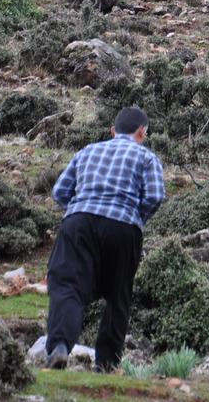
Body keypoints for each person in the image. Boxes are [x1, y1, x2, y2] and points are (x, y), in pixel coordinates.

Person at [44, 106, 165, 372]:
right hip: (123, 228)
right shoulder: (147, 157)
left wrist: (79, 208)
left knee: (67, 285)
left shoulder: (87, 151)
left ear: (112, 131)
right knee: (117, 295)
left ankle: (60, 347)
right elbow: (156, 196)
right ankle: (106, 364)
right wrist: (136, 217)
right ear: (142, 132)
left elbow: (59, 191)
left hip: (79, 222)